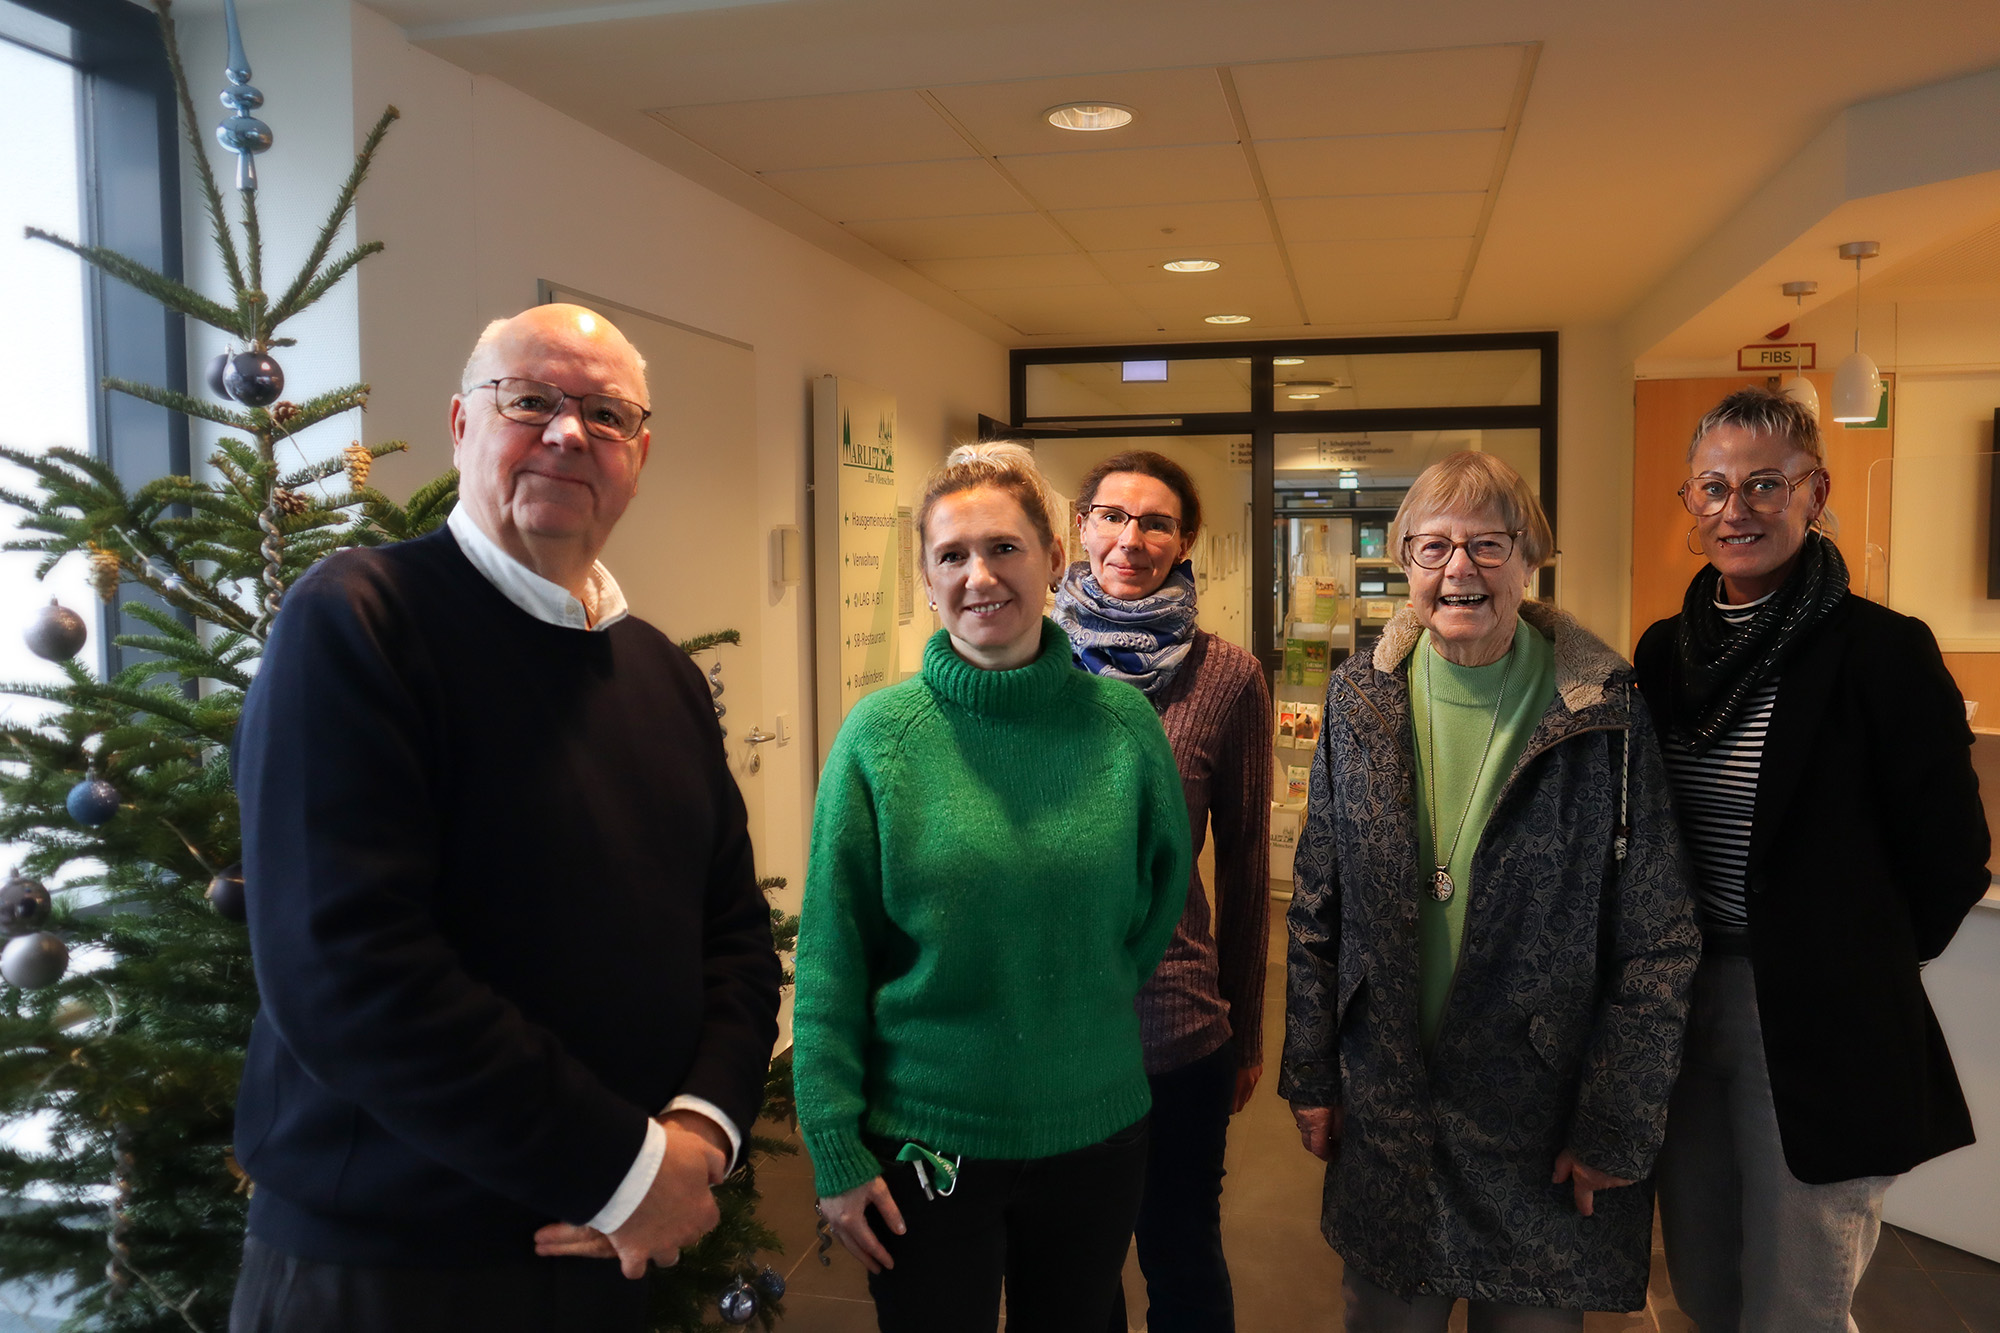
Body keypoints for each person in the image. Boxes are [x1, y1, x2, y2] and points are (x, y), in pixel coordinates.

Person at [228, 304, 781, 1332]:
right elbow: (347, 970)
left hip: (609, 1256)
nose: (569, 433)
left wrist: (696, 1136)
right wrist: (621, 1167)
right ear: (459, 422)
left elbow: (734, 937)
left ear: (640, 453)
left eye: (605, 415)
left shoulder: (660, 671)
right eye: (530, 400)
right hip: (393, 1272)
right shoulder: (357, 622)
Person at [1279, 450, 1699, 1330]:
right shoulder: (1361, 699)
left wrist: (1617, 1123)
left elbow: (1657, 934)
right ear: (1405, 564)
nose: (1458, 570)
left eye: (1487, 544)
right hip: (1392, 1109)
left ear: (1530, 556)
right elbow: (1318, 901)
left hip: (1541, 1126)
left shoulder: (1601, 708)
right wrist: (1311, 1074)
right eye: (1432, 548)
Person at [794, 442, 1191, 1333]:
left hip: (1093, 1126)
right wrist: (831, 1141)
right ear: (926, 578)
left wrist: (1072, 994)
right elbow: (832, 955)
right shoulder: (881, 738)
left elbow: (1158, 902)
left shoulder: (1122, 726)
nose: (980, 575)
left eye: (1005, 548)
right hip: (927, 1138)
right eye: (952, 554)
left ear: (1056, 557)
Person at [1634, 387, 1989, 1333]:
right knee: (1704, 1284)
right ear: (1690, 504)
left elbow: (1954, 854)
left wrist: (1854, 958)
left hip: (1821, 1023)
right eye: (1711, 488)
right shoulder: (1666, 654)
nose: (1735, 509)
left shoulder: (1883, 650)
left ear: (1815, 489)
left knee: (1798, 1301)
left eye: (1761, 484)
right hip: (1683, 1000)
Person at [1050, 450, 1271, 1333]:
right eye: (1111, 516)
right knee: (1074, 1268)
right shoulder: (1028, 658)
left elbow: (1250, 866)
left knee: (1179, 1253)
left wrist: (1248, 1025)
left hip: (1175, 1028)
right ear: (1079, 524)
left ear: (1186, 543)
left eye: (1155, 522)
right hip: (1053, 1026)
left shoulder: (1228, 677)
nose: (1129, 539)